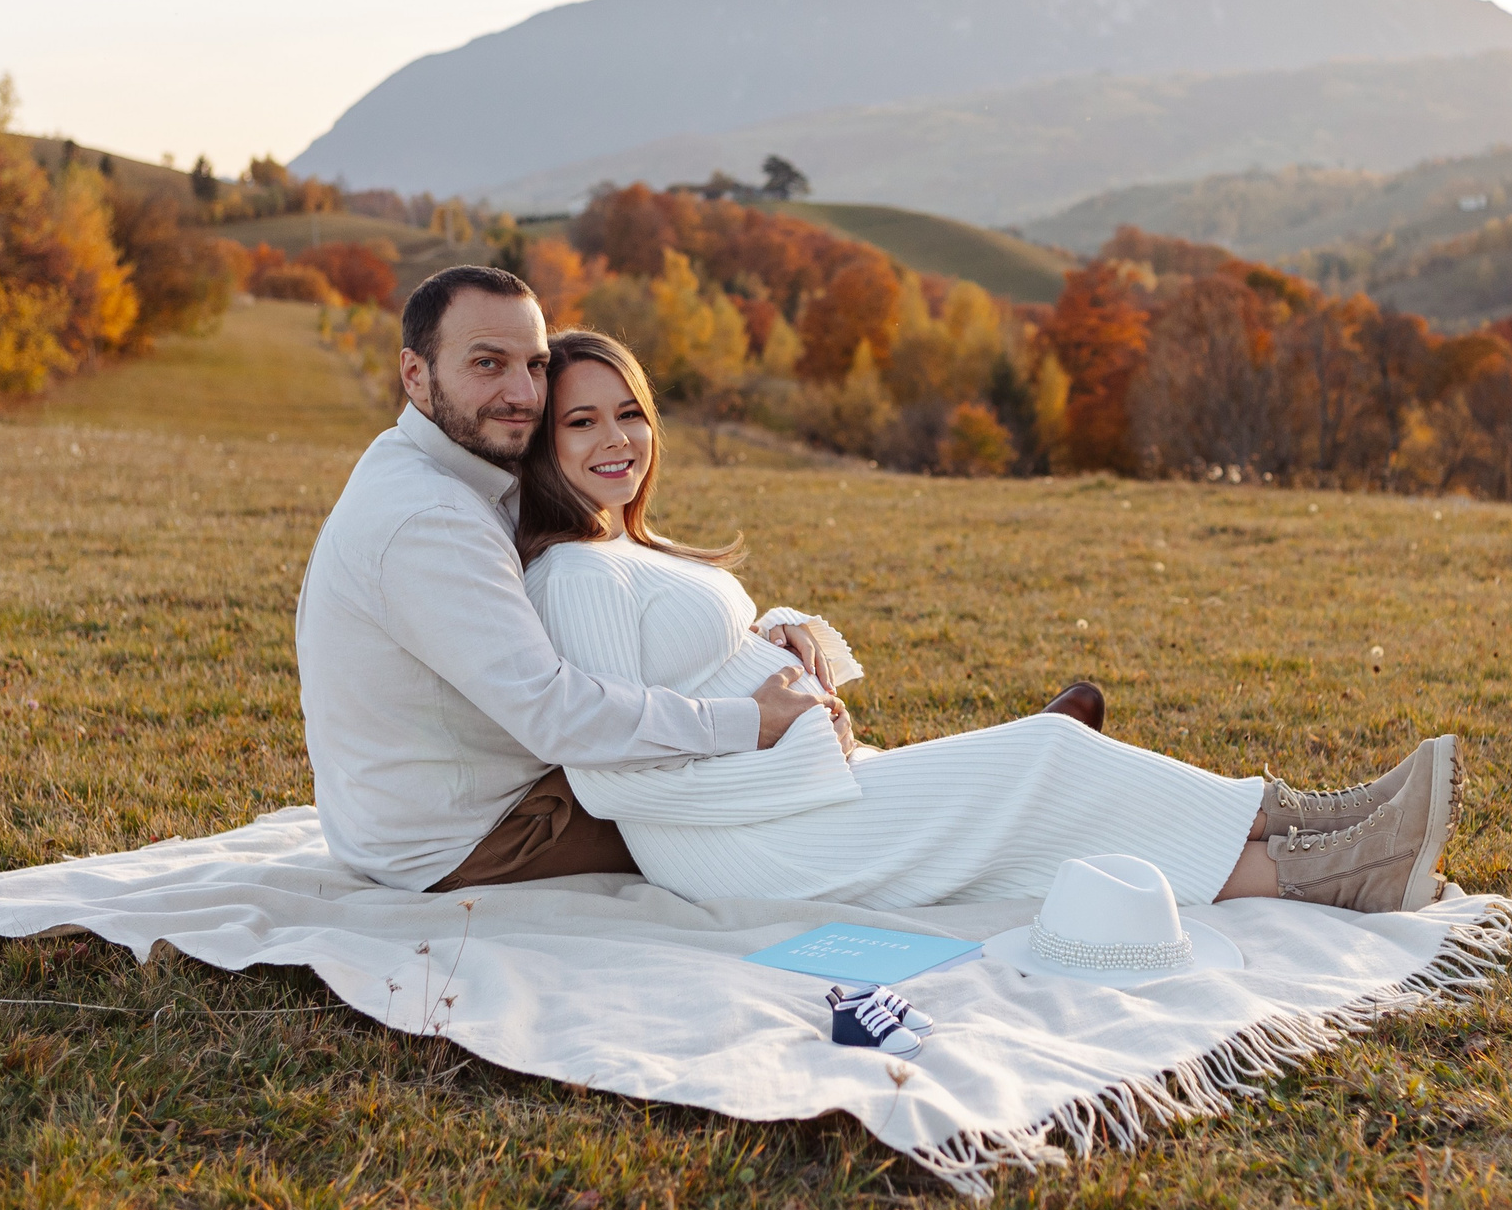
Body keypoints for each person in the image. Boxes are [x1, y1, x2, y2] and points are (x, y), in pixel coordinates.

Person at [516, 330, 1464, 914]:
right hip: (746, 842)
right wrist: (787, 749)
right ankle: (1327, 848)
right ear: (543, 445)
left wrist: (781, 633)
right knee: (1047, 757)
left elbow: (694, 658)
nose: (617, 439)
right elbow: (610, 774)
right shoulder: (573, 572)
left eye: (629, 413)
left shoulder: (628, 548)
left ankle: (1332, 846)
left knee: (1047, 805)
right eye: (581, 423)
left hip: (790, 801)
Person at [297, 266, 1098, 893]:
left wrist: (766, 638)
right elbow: (555, 712)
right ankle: (1007, 783)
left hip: (485, 788)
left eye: (533, 365)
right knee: (751, 798)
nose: (521, 393)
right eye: (486, 364)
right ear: (414, 373)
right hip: (473, 834)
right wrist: (750, 718)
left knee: (752, 754)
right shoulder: (430, 519)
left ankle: (998, 772)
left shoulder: (457, 470)